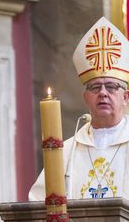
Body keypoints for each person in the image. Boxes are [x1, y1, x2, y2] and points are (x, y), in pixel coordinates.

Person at [29, 17, 129, 201]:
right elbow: (39, 205)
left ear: (126, 97)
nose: (103, 93)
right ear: (85, 98)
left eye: (111, 86)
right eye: (95, 87)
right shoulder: (66, 152)